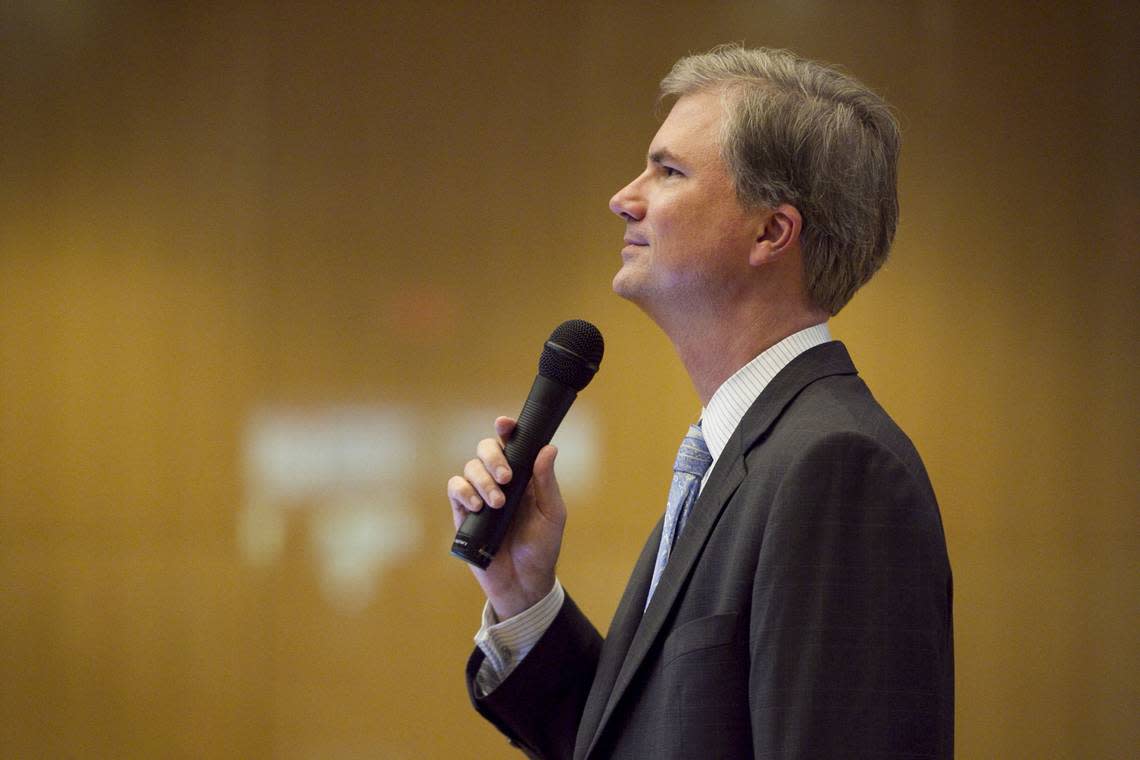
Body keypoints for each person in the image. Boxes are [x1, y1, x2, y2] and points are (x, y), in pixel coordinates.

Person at [447, 44, 953, 759]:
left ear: (771, 232)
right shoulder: (745, 454)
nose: (625, 196)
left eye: (669, 171)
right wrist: (523, 596)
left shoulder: (837, 470)